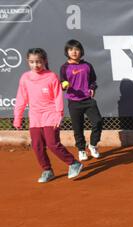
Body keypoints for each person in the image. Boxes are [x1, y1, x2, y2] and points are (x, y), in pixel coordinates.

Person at [14, 48, 83, 183]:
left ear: (44, 61)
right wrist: (18, 118)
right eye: (32, 62)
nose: (35, 65)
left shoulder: (51, 76)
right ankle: (47, 170)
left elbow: (58, 97)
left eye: (38, 62)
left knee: (52, 144)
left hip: (51, 115)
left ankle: (74, 163)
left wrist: (59, 115)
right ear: (28, 62)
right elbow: (21, 98)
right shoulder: (25, 78)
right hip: (35, 117)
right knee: (37, 146)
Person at [60, 39, 103, 161]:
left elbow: (93, 81)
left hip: (88, 100)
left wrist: (92, 87)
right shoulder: (64, 68)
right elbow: (62, 82)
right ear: (67, 52)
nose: (74, 52)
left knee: (98, 121)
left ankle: (93, 145)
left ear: (81, 51)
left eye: (77, 49)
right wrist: (64, 85)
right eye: (71, 49)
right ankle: (81, 150)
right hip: (73, 101)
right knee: (78, 127)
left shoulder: (87, 65)